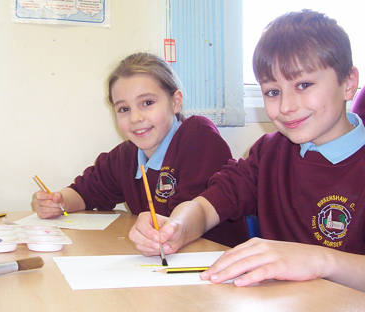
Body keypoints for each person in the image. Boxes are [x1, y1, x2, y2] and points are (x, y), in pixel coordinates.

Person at [129, 10, 365, 292]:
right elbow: (205, 207)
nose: (286, 106)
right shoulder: (268, 153)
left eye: (303, 85)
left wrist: (321, 261)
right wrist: (176, 228)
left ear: (349, 83)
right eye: (272, 92)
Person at [33, 52, 249, 247]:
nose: (136, 118)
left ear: (175, 102)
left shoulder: (198, 137)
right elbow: (85, 192)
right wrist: (59, 202)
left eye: (147, 103)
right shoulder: (127, 155)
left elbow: (189, 218)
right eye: (124, 109)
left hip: (211, 259)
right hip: (162, 261)